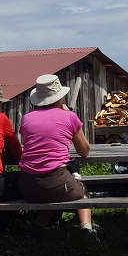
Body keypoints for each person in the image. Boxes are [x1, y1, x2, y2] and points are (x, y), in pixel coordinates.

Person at [18, 75, 96, 238]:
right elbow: (84, 151)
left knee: (54, 194)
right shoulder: (69, 116)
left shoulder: (26, 118)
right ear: (59, 97)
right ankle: (87, 229)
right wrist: (69, 116)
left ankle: (40, 224)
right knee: (81, 191)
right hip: (57, 181)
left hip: (28, 185)